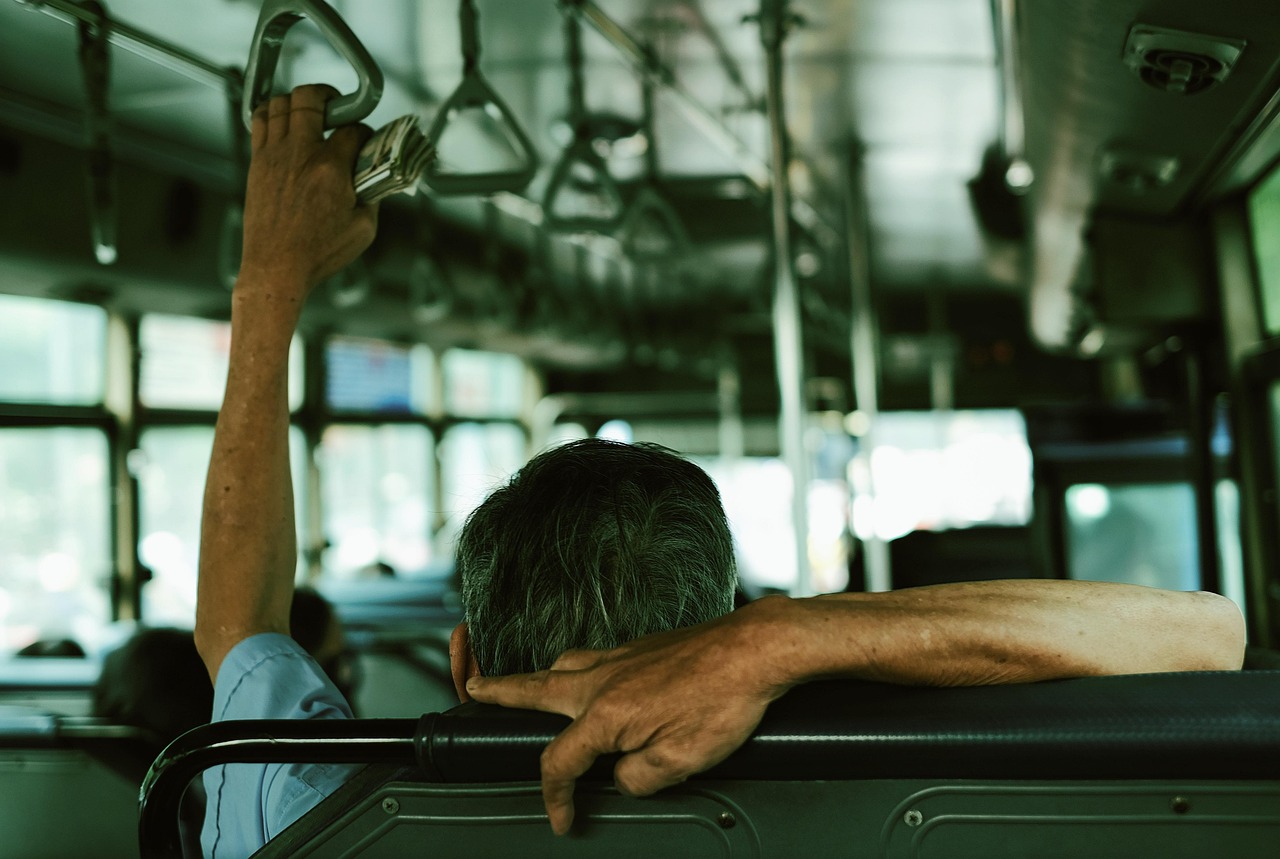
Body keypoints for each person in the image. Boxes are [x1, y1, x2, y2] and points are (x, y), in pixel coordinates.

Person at [194, 83, 1247, 854]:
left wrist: (267, 280)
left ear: (460, 659)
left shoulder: (313, 812)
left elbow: (240, 626)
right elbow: (1203, 636)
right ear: (727, 637)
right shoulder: (886, 804)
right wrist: (791, 633)